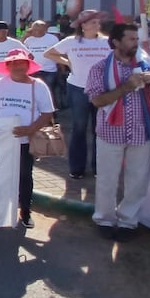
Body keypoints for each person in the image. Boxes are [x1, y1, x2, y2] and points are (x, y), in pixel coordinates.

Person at [85, 23, 150, 241]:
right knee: (107, 180)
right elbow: (98, 100)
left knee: (138, 180)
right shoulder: (100, 68)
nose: (135, 43)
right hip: (111, 133)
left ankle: (129, 221)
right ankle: (105, 219)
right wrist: (125, 87)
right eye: (130, 39)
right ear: (116, 42)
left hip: (141, 131)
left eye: (136, 39)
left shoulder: (147, 65)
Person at [0, 48, 55, 229]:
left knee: (25, 176)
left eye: (21, 62)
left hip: (25, 142)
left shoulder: (38, 86)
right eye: (14, 63)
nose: (17, 66)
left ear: (28, 65)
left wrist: (30, 129)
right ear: (8, 66)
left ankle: (25, 211)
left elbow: (47, 113)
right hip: (0, 140)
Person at [44, 9, 112, 179]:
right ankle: (77, 167)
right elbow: (49, 53)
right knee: (79, 128)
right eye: (93, 22)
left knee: (100, 129)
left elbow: (117, 59)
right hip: (78, 88)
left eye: (98, 22)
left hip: (101, 90)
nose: (97, 25)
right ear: (83, 25)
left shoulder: (107, 42)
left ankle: (99, 167)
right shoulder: (71, 41)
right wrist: (67, 62)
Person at [23, 20, 60, 93]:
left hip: (49, 70)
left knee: (47, 91)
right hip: (33, 70)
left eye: (39, 30)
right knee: (32, 92)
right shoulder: (28, 40)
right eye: (34, 30)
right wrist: (25, 36)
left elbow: (58, 53)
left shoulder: (53, 39)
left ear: (45, 30)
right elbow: (20, 48)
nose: (36, 32)